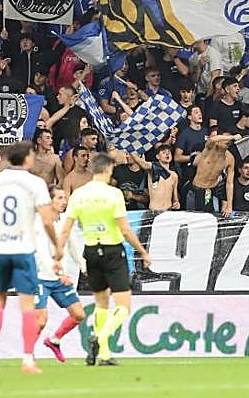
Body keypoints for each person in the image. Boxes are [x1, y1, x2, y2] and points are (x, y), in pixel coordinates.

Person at [58, 152, 152, 366]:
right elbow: (125, 229)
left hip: (91, 251)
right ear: (108, 170)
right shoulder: (113, 194)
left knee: (101, 303)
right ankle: (100, 339)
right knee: (123, 305)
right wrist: (143, 251)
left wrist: (58, 255)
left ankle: (105, 354)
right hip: (112, 251)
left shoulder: (79, 195)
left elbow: (66, 229)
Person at [0, 141, 58, 375]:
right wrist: (57, 245)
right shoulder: (36, 183)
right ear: (26, 158)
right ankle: (27, 359)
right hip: (23, 250)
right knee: (27, 306)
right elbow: (46, 219)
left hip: (0, 249)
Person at [36, 185, 87, 363]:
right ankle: (28, 354)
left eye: (65, 198)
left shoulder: (66, 220)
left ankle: (54, 340)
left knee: (79, 315)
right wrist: (58, 274)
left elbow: (72, 245)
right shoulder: (40, 221)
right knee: (41, 321)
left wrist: (83, 265)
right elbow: (41, 253)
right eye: (59, 198)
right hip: (41, 277)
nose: (64, 202)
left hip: (60, 278)